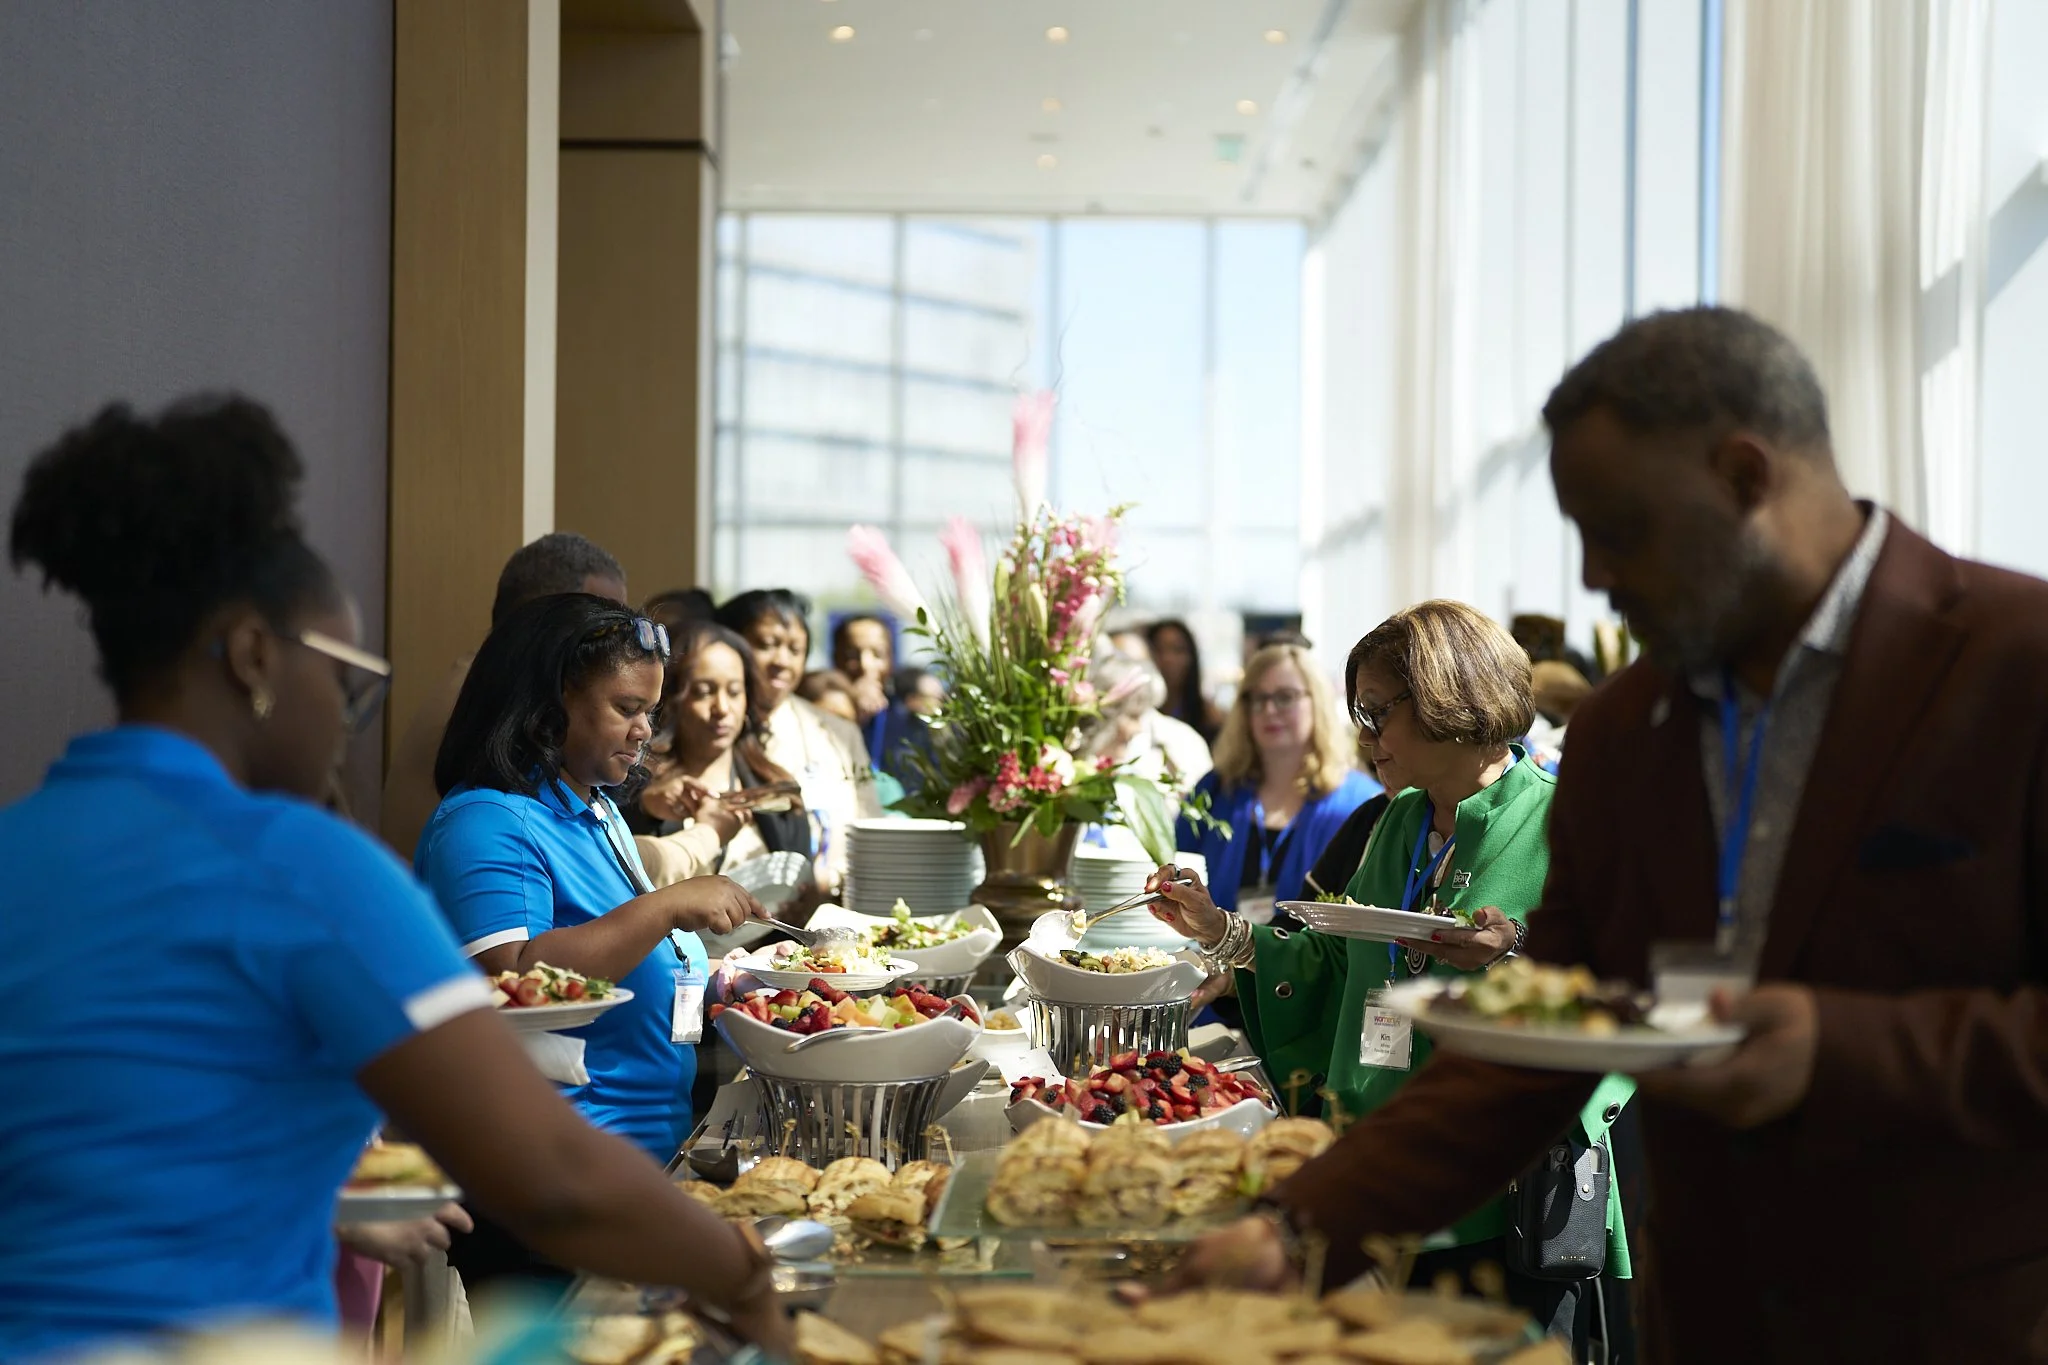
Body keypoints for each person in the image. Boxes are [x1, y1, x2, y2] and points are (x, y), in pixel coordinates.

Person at [1168, 306, 2048, 1363]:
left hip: (1962, 1323)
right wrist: (1300, 1225)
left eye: (1617, 528)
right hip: (1695, 1318)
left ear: (1741, 475)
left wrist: (1838, 1051)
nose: (1592, 578)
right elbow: (1540, 1031)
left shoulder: (2013, 665)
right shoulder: (1632, 731)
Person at [0, 398, 788, 1360]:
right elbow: (549, 1173)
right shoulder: (298, 865)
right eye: (344, 683)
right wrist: (744, 1273)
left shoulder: (19, 847)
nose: (345, 722)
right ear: (254, 657)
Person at [1150, 603, 1631, 1346]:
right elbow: (1342, 964)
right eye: (1357, 711)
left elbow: (1618, 995)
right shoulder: (1399, 820)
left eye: (1377, 710)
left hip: (1501, 1191)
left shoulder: (1561, 818)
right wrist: (1223, 932)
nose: (1363, 733)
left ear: (1452, 697)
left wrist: (1511, 952)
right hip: (1385, 1174)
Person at [415, 593, 774, 1294]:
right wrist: (666, 906)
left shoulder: (594, 808)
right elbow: (512, 977)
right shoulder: (486, 821)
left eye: (651, 710)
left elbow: (625, 954)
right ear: (549, 704)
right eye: (626, 707)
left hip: (633, 1169)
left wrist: (721, 975)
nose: (646, 731)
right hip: (550, 1190)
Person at [382, 533, 627, 859]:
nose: (618, 648)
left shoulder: (485, 681)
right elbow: (566, 852)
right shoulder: (500, 706)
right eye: (600, 629)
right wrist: (697, 840)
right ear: (540, 617)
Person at [1175, 641, 1379, 939]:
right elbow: (1178, 875)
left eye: (1285, 697)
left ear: (1317, 702)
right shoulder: (1216, 788)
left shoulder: (1361, 803)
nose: (1269, 709)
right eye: (1257, 698)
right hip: (1207, 964)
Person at [714, 590, 881, 894]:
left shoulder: (840, 734)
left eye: (795, 649)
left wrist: (830, 880)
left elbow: (869, 827)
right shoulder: (711, 727)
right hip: (730, 920)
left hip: (831, 904)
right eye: (766, 645)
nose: (782, 661)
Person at [629, 620, 815, 887]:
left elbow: (801, 881)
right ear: (671, 699)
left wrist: (805, 903)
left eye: (734, 692)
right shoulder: (634, 788)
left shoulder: (775, 788)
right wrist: (645, 805)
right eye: (704, 692)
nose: (722, 708)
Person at [1082, 648, 1213, 790]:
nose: (1135, 729)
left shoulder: (1183, 741)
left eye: (1139, 716)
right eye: (1130, 715)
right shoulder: (1074, 760)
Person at [1300, 742, 1409, 902]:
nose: (1382, 772)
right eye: (1375, 764)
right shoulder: (1369, 814)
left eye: (1392, 758)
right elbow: (1308, 904)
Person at [1147, 617, 1224, 743]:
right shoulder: (1134, 717)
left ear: (1191, 658)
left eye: (1177, 650)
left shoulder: (1208, 717)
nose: (1168, 659)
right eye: (1159, 650)